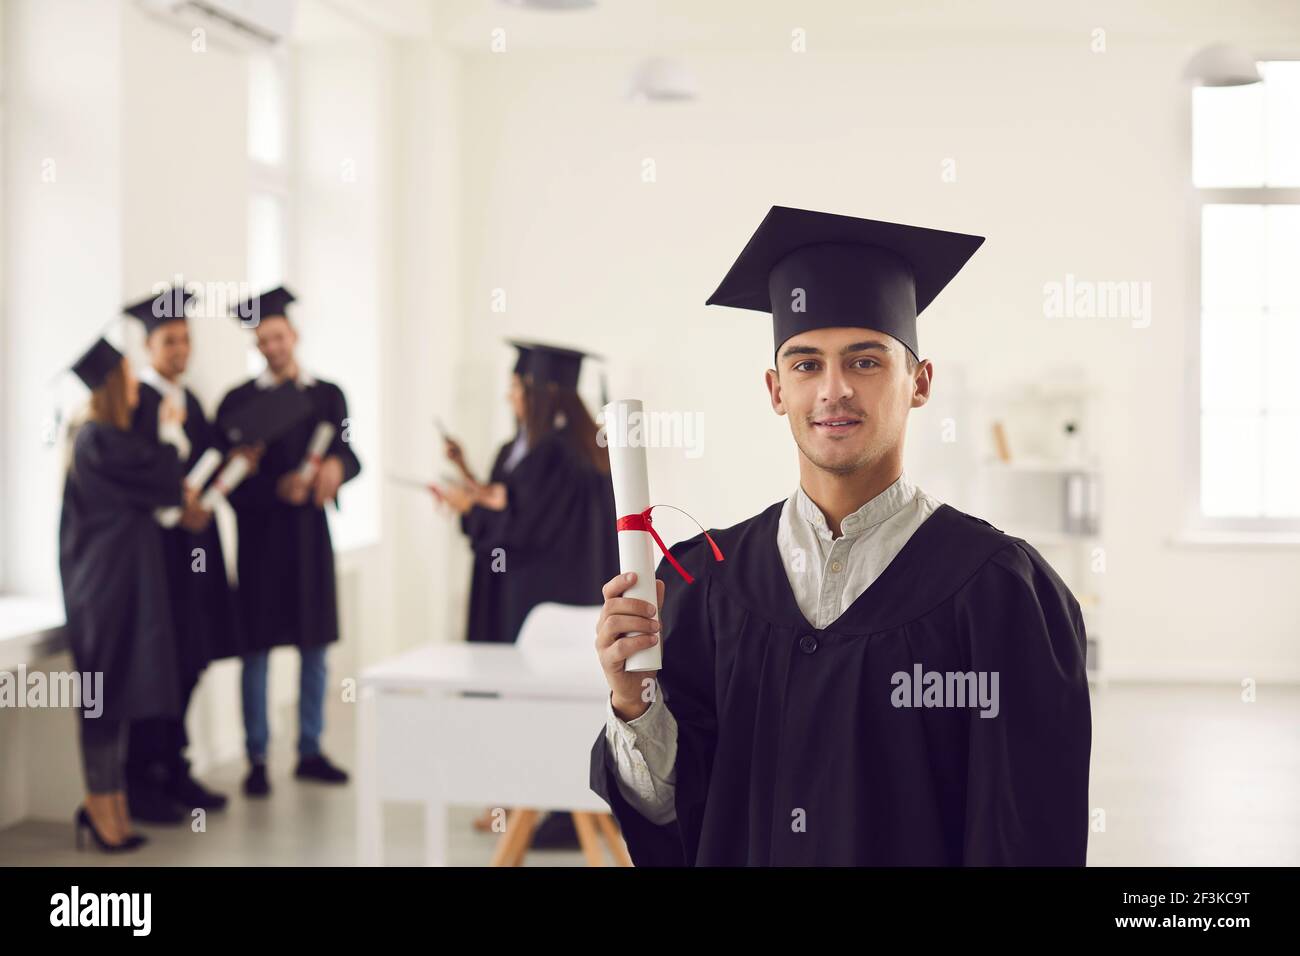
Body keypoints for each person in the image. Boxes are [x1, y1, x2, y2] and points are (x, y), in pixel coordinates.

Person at [591, 205, 1093, 866]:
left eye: (864, 362)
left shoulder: (1002, 592)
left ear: (919, 382)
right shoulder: (703, 583)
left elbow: (1026, 834)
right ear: (775, 390)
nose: (833, 390)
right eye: (805, 365)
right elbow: (671, 813)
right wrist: (632, 703)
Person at [435, 340, 619, 847]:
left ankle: (557, 806)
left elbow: (520, 526)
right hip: (555, 590)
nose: (509, 397)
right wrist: (476, 494)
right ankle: (531, 801)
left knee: (536, 698)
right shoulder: (578, 445)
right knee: (549, 703)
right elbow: (513, 506)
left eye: (517, 388)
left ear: (539, 392)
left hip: (537, 596)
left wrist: (467, 509)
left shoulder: (554, 455)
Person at [215, 286, 361, 797]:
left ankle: (310, 750)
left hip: (309, 540)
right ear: (256, 346)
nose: (272, 347)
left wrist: (337, 468)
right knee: (255, 650)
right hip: (260, 542)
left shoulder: (327, 395)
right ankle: (257, 757)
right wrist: (271, 487)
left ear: (293, 334)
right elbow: (224, 480)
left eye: (278, 336)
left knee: (314, 648)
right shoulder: (238, 402)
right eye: (262, 341)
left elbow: (350, 453)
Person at [59, 336, 189, 852]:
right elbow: (162, 474)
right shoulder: (96, 439)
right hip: (101, 589)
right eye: (131, 380)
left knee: (113, 698)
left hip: (116, 585)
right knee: (101, 699)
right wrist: (173, 433)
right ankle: (99, 805)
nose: (138, 388)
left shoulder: (104, 437)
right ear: (114, 387)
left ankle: (110, 805)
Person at [121, 287, 239, 823]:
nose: (180, 349)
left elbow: (210, 461)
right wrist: (176, 507)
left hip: (197, 547)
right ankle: (144, 776)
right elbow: (139, 476)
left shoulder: (190, 400)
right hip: (158, 556)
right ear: (149, 346)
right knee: (157, 664)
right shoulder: (137, 403)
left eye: (186, 339)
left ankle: (175, 765)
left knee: (190, 656)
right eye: (170, 340)